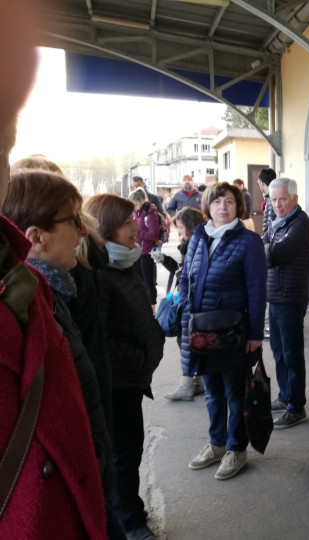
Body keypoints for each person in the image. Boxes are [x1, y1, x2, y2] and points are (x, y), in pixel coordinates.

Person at [0, 5, 107, 536]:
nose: (85, 232)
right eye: (74, 222)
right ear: (36, 236)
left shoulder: (41, 296)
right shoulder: (26, 304)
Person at [84, 193, 166, 540]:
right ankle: (129, 521)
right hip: (117, 383)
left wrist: (155, 335)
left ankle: (131, 511)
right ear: (105, 228)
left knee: (129, 448)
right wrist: (141, 357)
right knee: (122, 453)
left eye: (134, 219)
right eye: (127, 222)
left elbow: (141, 311)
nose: (137, 226)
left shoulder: (126, 260)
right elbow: (100, 340)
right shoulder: (100, 273)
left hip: (132, 379)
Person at [178, 182, 266, 480]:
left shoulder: (249, 242)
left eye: (229, 201)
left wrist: (255, 333)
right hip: (201, 330)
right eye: (216, 202)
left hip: (232, 332)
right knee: (212, 392)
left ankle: (236, 449)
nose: (223, 207)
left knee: (235, 393)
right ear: (208, 206)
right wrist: (183, 308)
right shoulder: (199, 237)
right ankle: (216, 444)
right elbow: (186, 277)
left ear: (237, 206)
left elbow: (257, 291)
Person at [262, 178, 309, 429]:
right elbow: (266, 247)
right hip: (276, 297)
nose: (277, 205)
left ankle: (296, 406)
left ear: (294, 198)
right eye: (273, 200)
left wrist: (263, 246)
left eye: (282, 199)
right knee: (279, 352)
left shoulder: (300, 225)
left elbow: (272, 255)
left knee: (292, 354)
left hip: (291, 298)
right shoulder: (278, 224)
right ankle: (285, 397)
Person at [164, 206, 206, 401]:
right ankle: (196, 381)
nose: (178, 232)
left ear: (189, 226)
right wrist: (164, 260)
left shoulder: (195, 244)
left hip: (192, 301)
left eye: (180, 228)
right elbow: (180, 270)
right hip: (188, 299)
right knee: (188, 341)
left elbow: (189, 274)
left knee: (187, 341)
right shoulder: (189, 244)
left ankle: (189, 384)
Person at [129, 188, 160, 308]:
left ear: (141, 201)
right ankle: (144, 305)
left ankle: (152, 307)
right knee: (140, 281)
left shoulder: (150, 214)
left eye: (135, 204)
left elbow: (153, 235)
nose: (134, 207)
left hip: (147, 252)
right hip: (138, 251)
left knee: (149, 281)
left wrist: (137, 233)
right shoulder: (138, 212)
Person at [257, 168, 277, 235]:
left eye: (258, 183)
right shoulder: (272, 197)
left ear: (262, 183)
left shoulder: (271, 200)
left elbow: (269, 226)